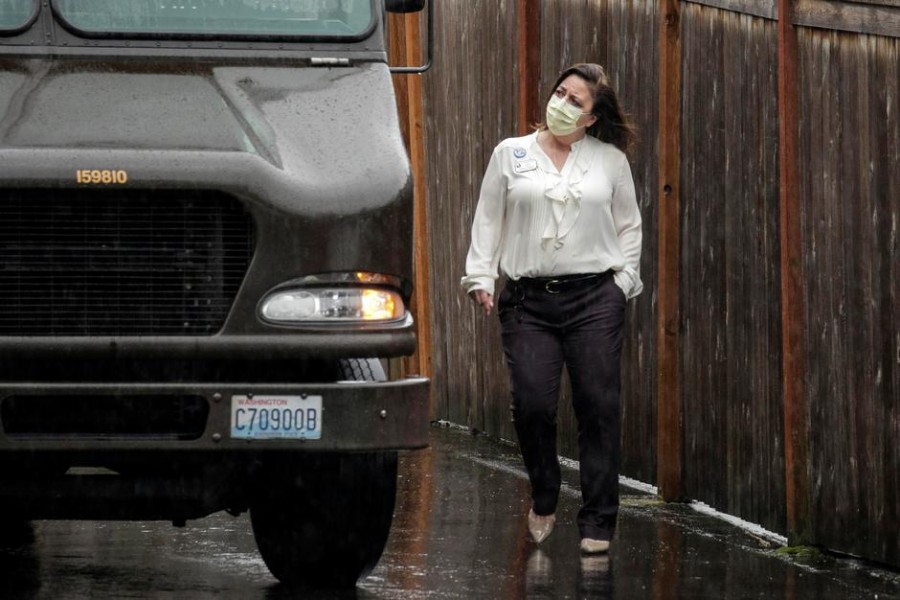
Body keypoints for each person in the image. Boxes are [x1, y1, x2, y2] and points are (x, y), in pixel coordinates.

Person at [461, 63, 642, 554]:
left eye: (575, 101)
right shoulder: (511, 153)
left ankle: (598, 521)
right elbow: (488, 218)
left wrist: (622, 284)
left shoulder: (609, 161)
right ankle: (544, 490)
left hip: (595, 299)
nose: (561, 104)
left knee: (598, 406)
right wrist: (481, 276)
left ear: (591, 118)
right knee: (533, 404)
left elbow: (629, 227)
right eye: (560, 93)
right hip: (529, 301)